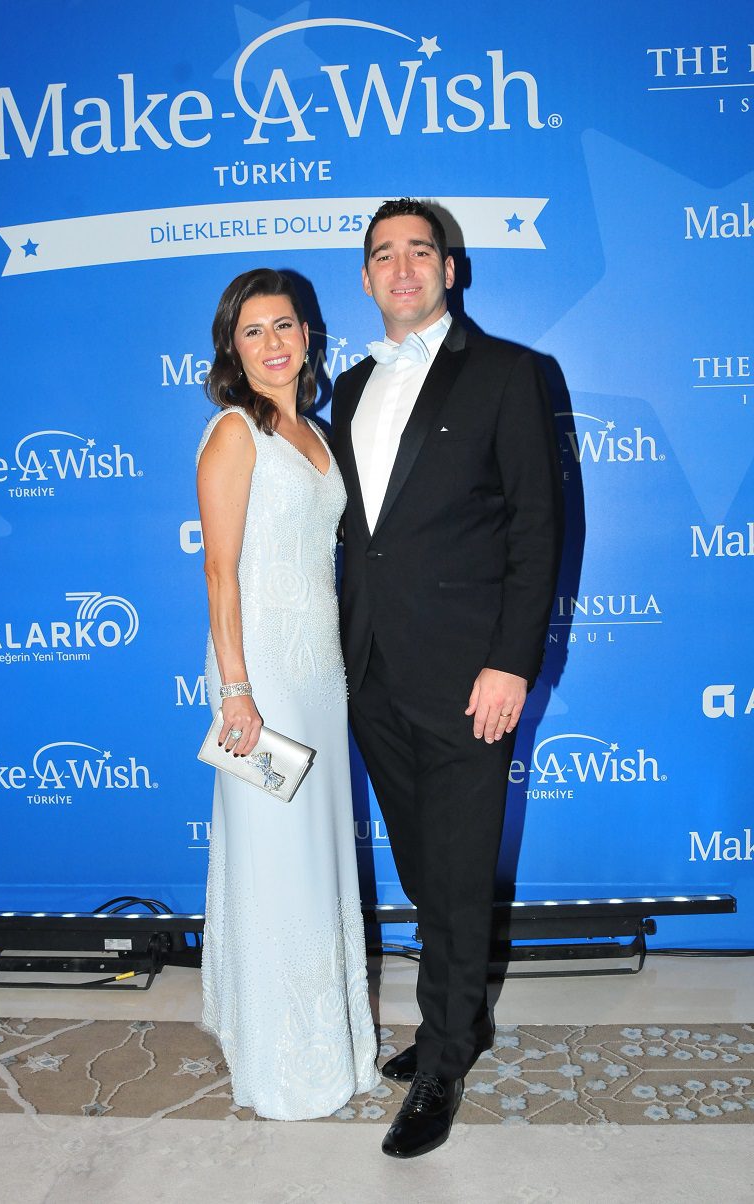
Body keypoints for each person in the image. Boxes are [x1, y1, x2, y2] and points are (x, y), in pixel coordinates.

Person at [331, 199, 564, 1158]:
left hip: (472, 675)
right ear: (365, 278)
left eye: (419, 251)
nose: (402, 268)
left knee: (460, 873)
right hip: (372, 670)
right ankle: (457, 1020)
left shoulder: (508, 372)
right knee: (427, 866)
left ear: (450, 269)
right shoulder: (348, 385)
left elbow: (538, 528)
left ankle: (442, 1062)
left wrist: (511, 661)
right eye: (383, 254)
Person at [196, 267, 379, 1120]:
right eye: (253, 331)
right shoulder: (234, 433)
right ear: (231, 349)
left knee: (315, 856)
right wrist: (236, 690)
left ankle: (329, 1044)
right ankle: (281, 1064)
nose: (273, 343)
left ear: (308, 336)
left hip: (318, 671)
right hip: (260, 674)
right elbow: (220, 571)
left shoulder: (316, 433)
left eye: (285, 325)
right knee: (275, 861)